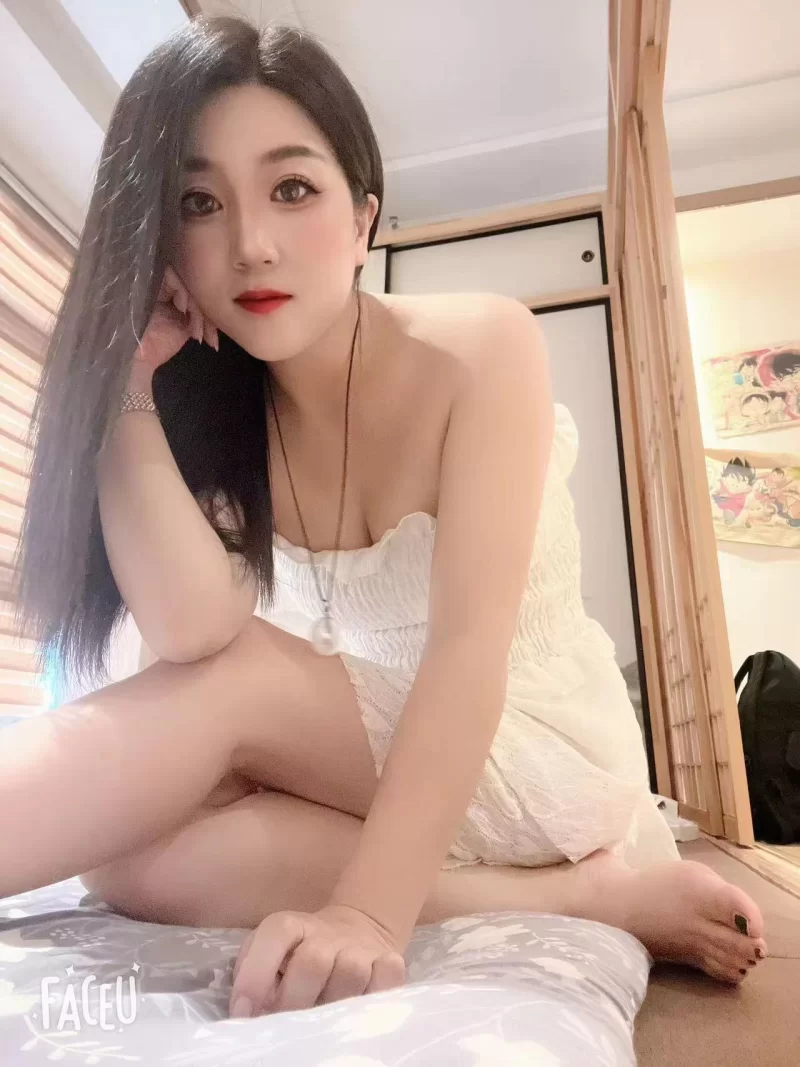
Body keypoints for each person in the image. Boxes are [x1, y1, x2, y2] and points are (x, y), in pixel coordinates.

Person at [3, 16, 766, 1019]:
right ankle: (583, 897)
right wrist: (128, 385)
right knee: (130, 859)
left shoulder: (481, 347)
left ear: (363, 219)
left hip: (527, 737)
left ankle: (572, 874)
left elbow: (467, 652)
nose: (251, 244)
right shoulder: (216, 412)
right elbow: (190, 627)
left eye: (291, 188)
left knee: (232, 687)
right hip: (366, 759)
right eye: (199, 202)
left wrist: (367, 913)